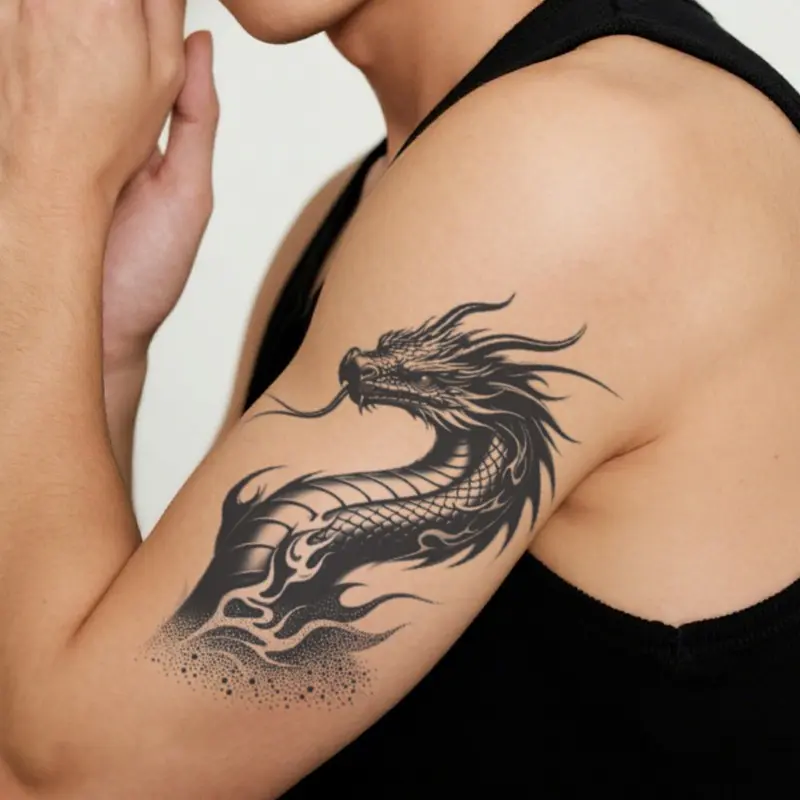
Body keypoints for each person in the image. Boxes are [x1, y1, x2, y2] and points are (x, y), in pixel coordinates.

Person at [1, 0, 799, 797]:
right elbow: (109, 692)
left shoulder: (578, 160)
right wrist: (101, 340)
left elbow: (72, 780)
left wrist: (43, 189)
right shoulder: (373, 201)